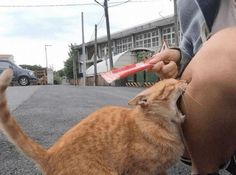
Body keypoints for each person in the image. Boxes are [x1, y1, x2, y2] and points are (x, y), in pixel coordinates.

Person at [149, 0, 236, 174]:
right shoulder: (189, 3)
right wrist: (179, 58)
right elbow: (190, 43)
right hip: (216, 113)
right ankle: (204, 167)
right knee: (220, 53)